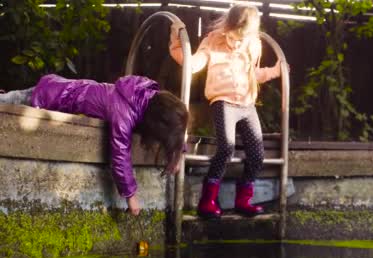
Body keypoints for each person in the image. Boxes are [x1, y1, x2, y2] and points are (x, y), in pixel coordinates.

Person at [0, 74, 189, 216]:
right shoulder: (123, 112)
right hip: (48, 95)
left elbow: (175, 128)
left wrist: (177, 153)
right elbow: (119, 154)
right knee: (8, 102)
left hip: (59, 86)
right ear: (155, 123)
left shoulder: (144, 94)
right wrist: (131, 195)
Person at [169, 4, 283, 218]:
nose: (239, 40)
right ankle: (208, 200)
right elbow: (192, 64)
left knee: (257, 154)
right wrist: (177, 43)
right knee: (226, 149)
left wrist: (275, 71)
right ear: (230, 26)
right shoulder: (213, 40)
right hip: (223, 102)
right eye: (236, 35)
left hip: (247, 104)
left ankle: (243, 199)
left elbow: (252, 74)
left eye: (244, 35)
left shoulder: (253, 45)